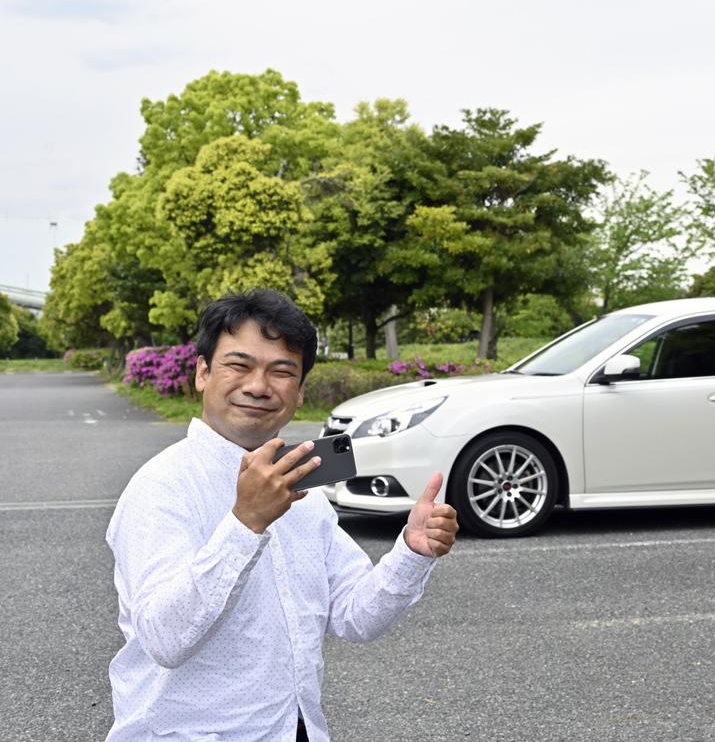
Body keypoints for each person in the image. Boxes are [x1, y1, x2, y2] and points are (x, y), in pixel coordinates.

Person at [105, 289, 458, 741]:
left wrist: (411, 551)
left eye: (281, 371)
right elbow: (164, 640)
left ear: (299, 391)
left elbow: (354, 616)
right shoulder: (163, 487)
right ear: (202, 372)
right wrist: (245, 522)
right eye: (239, 365)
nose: (258, 385)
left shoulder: (301, 491)